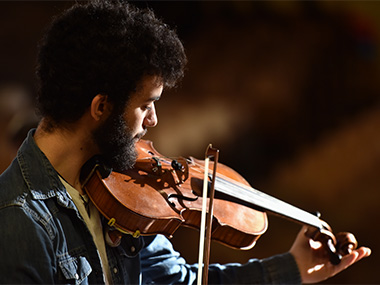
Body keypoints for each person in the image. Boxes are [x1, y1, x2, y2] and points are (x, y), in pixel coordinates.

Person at [0, 1, 370, 284]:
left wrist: (296, 268)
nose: (153, 121)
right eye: (145, 106)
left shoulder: (118, 190)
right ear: (101, 107)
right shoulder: (19, 224)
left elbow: (184, 280)